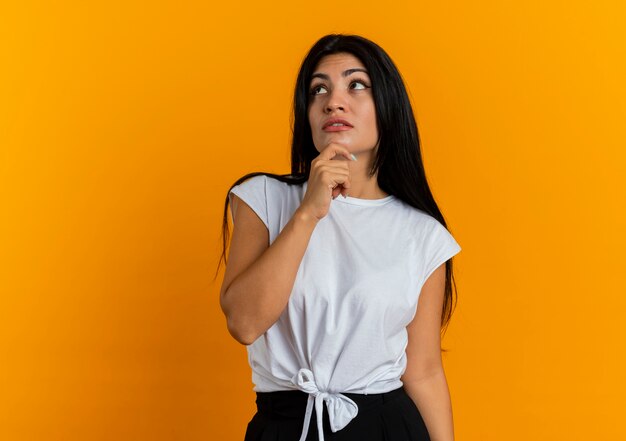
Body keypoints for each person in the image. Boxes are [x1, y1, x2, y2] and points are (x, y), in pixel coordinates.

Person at [216, 34, 462, 441]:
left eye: (356, 84)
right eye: (319, 89)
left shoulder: (422, 234)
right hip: (283, 426)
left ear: (388, 107)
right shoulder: (262, 198)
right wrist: (309, 212)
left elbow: (423, 372)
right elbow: (244, 322)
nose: (333, 100)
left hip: (386, 427)